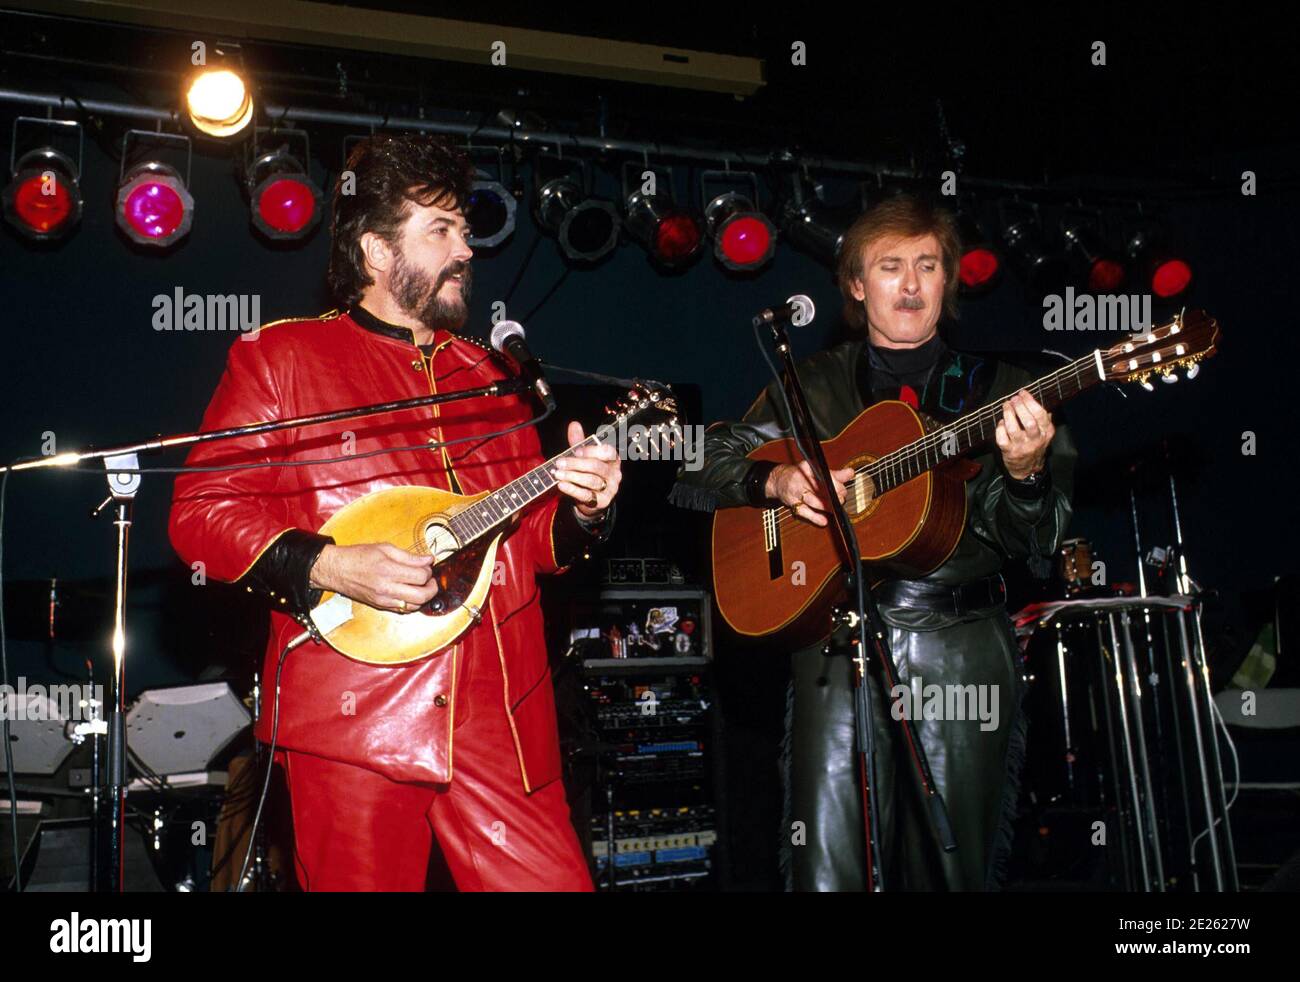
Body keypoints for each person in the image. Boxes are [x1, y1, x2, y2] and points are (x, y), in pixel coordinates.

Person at [169, 134, 621, 891]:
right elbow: (199, 513)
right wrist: (331, 564)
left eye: (466, 231)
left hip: (504, 719)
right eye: (440, 231)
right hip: (357, 720)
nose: (466, 250)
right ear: (377, 251)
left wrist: (586, 510)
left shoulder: (494, 376)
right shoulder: (281, 360)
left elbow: (532, 544)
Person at [671, 194, 1076, 890]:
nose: (912, 284)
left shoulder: (1005, 393)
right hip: (836, 644)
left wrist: (1027, 473)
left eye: (928, 265)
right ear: (857, 286)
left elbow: (1037, 543)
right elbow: (690, 465)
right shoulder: (815, 386)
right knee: (825, 864)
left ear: (949, 280)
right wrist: (777, 485)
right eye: (891, 267)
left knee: (950, 868)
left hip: (959, 646)